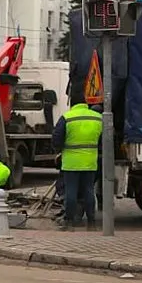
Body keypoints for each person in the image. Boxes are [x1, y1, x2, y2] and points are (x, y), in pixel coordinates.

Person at [52, 91, 102, 231]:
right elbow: (105, 139)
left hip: (71, 162)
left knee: (71, 192)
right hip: (90, 161)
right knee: (88, 191)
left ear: (72, 103)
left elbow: (56, 139)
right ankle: (91, 223)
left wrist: (60, 150)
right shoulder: (98, 118)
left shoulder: (67, 117)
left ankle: (69, 222)